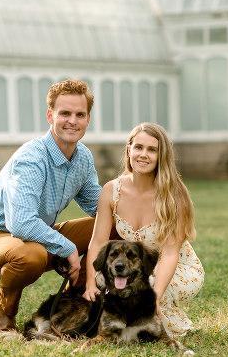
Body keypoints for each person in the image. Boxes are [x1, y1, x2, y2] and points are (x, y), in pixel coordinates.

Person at [0, 79, 102, 337]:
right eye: (65, 113)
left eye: (79, 114)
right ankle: (3, 321)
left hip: (39, 234)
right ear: (50, 115)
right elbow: (20, 224)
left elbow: (100, 206)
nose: (72, 121)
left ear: (88, 119)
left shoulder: (83, 157)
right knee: (31, 255)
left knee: (114, 226)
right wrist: (68, 248)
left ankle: (69, 308)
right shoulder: (32, 158)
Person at [82, 122, 204, 338]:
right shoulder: (112, 190)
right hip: (137, 266)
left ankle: (152, 320)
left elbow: (169, 253)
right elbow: (98, 242)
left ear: (161, 156)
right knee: (105, 280)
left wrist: (154, 297)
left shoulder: (174, 194)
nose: (143, 155)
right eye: (138, 147)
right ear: (129, 150)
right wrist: (90, 282)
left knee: (145, 286)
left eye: (152, 150)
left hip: (179, 268)